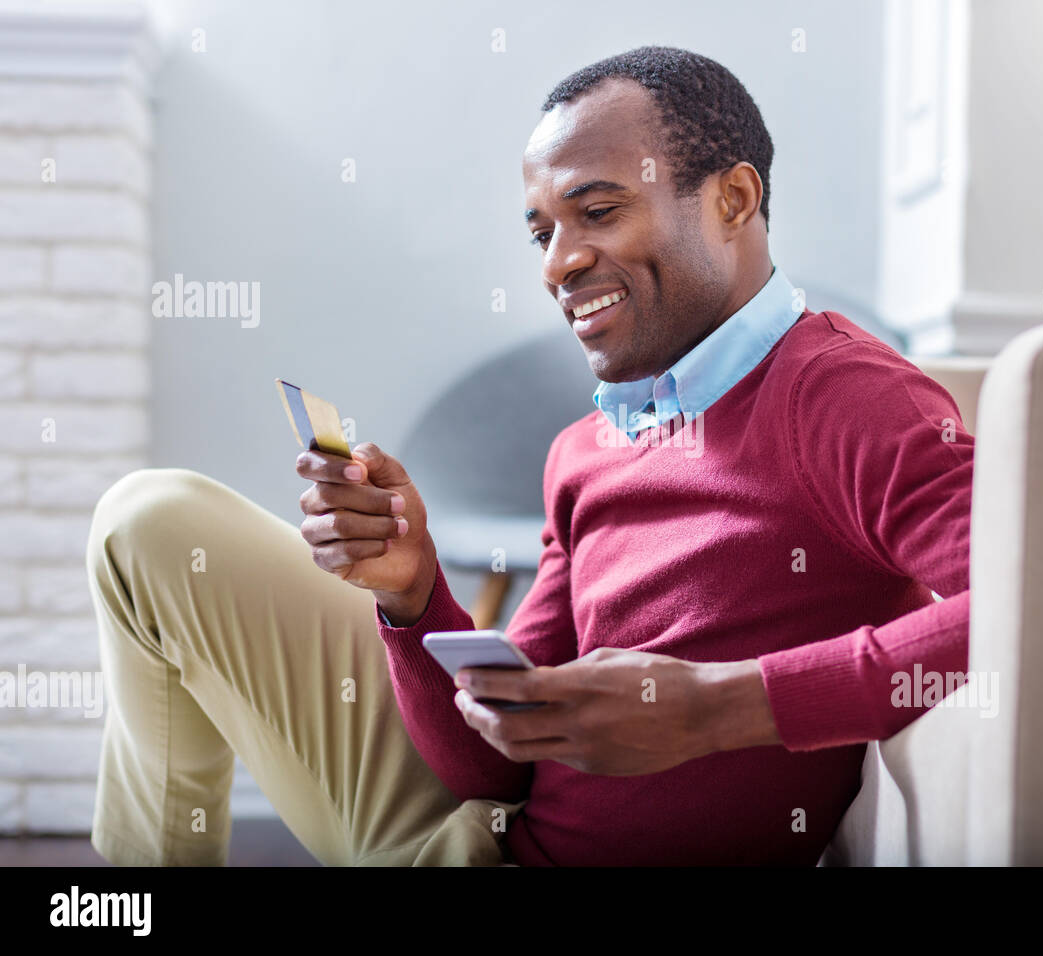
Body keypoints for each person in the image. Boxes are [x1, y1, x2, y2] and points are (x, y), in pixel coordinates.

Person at [87, 46, 973, 867]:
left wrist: (716, 707)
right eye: (541, 232)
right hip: (489, 834)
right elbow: (490, 772)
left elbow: (1033, 613)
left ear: (732, 201)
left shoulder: (847, 396)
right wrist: (410, 590)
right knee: (150, 523)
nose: (560, 262)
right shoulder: (584, 449)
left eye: (597, 212)